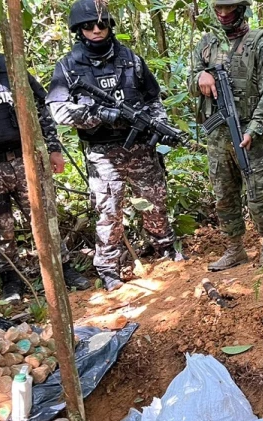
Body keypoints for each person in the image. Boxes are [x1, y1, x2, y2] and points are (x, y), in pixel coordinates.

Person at [47, 0, 182, 292]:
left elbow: (153, 98)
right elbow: (57, 109)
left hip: (141, 148)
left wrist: (157, 124)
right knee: (109, 210)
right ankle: (108, 267)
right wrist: (97, 114)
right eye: (88, 26)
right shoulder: (69, 66)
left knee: (155, 201)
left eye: (102, 24)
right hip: (103, 153)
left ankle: (165, 249)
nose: (96, 30)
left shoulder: (130, 59)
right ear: (78, 30)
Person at [0, 3, 89, 303]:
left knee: (44, 217)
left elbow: (41, 110)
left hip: (25, 160)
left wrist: (53, 149)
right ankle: (12, 279)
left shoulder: (8, 67)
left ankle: (62, 269)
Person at [191, 0, 263, 271]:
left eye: (228, 9)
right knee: (224, 194)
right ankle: (235, 248)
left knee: (259, 194)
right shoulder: (207, 44)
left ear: (241, 9)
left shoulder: (261, 45)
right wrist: (200, 78)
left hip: (251, 134)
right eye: (218, 9)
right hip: (218, 134)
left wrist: (253, 129)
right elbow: (190, 80)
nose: (222, 14)